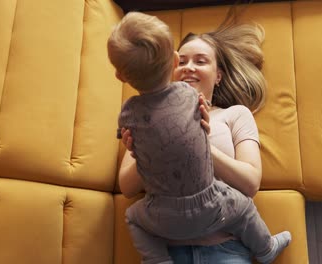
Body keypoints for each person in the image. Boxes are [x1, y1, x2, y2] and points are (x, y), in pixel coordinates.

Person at [109, 11, 291, 264]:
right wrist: (149, 150)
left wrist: (196, 140)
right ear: (171, 66)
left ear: (218, 75)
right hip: (170, 250)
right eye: (182, 61)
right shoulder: (144, 120)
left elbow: (250, 184)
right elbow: (127, 189)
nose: (189, 67)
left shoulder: (235, 115)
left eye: (201, 61)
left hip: (224, 250)